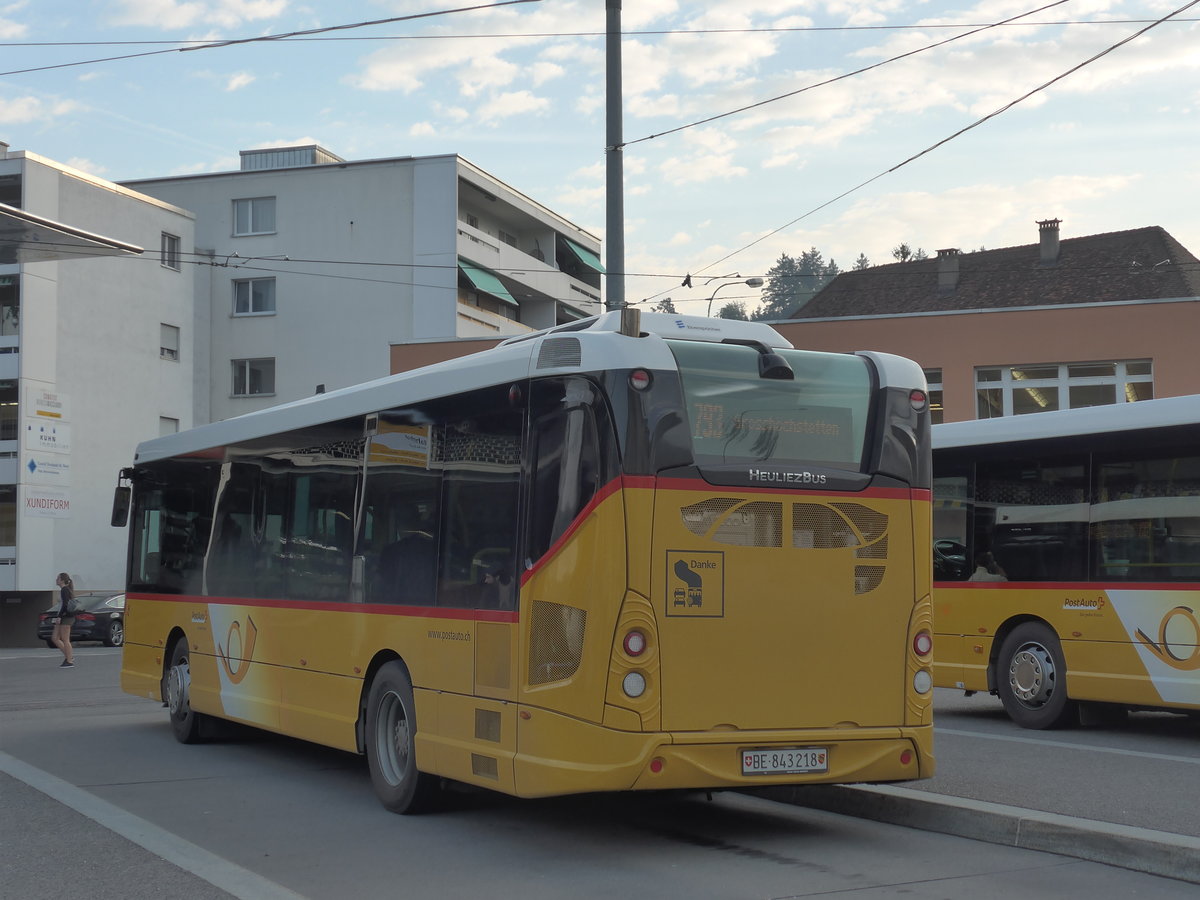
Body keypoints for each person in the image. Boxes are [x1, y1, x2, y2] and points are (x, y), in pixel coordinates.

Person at [51, 572, 76, 668]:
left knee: (65, 639)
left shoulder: (64, 590)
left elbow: (65, 605)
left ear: (62, 580)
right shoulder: (64, 590)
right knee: (55, 638)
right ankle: (69, 656)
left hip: (66, 617)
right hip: (62, 616)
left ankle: (69, 661)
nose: (56, 580)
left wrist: (59, 616)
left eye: (58, 578)